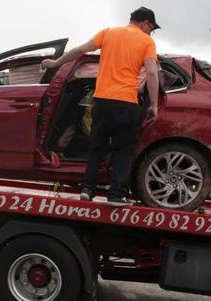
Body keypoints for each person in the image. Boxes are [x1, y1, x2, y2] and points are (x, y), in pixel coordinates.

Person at [41, 6, 161, 206]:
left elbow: (80, 51)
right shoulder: (147, 41)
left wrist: (55, 63)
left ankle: (87, 189)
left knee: (97, 147)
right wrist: (154, 104)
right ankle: (116, 195)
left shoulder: (108, 33)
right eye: (152, 28)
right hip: (126, 103)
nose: (151, 32)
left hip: (102, 101)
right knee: (124, 149)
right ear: (145, 23)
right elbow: (151, 73)